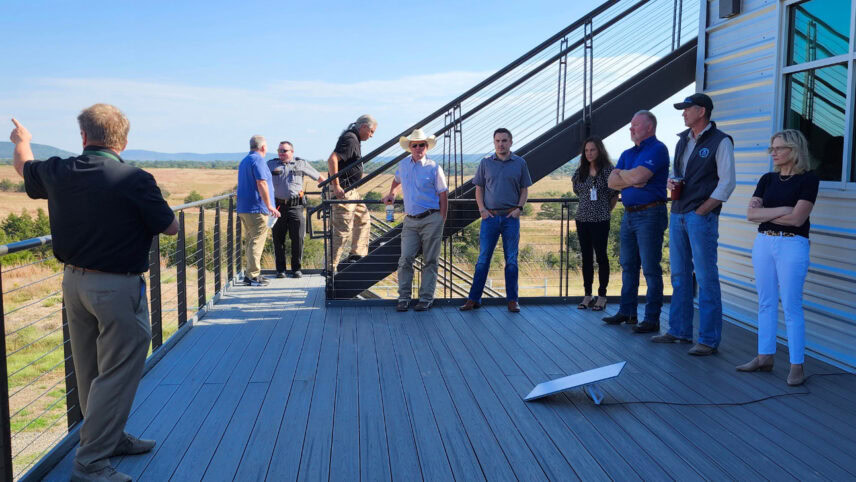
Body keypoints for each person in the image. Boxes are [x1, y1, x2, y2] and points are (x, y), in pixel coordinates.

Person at [10, 105, 178, 482]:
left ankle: (111, 438)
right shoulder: (134, 179)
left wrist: (22, 142)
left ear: (83, 137)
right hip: (117, 287)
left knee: (90, 370)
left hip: (74, 283)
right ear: (124, 141)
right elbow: (170, 228)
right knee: (118, 371)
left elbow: (23, 167)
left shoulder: (58, 170)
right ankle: (90, 463)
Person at [651, 93, 736, 356]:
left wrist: (702, 210)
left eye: (687, 109)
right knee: (679, 276)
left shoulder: (721, 141)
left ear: (702, 111)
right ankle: (679, 331)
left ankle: (708, 340)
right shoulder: (682, 141)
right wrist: (672, 182)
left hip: (700, 217)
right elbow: (680, 174)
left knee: (706, 277)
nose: (683, 113)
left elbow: (727, 182)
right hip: (678, 213)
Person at [738, 129, 818, 386]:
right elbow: (750, 215)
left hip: (793, 245)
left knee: (792, 305)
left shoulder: (808, 180)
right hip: (764, 243)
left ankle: (797, 365)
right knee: (766, 302)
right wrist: (784, 209)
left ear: (794, 150)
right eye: (771, 148)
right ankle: (765, 357)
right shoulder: (767, 179)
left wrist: (768, 212)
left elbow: (798, 219)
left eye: (778, 148)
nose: (773, 152)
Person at [603, 111, 669, 332]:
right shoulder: (627, 152)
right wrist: (633, 180)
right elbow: (611, 182)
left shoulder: (658, 149)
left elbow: (640, 178)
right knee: (628, 265)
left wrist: (628, 178)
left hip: (650, 214)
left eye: (635, 126)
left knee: (650, 267)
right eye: (631, 126)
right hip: (629, 214)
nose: (631, 129)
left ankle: (651, 319)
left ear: (649, 127)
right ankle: (627, 312)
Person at [460, 128, 532, 313]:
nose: (501, 144)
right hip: (489, 217)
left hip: (510, 218)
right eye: (498, 140)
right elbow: (479, 188)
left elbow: (524, 189)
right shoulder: (485, 163)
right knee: (483, 259)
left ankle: (512, 301)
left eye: (504, 140)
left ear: (511, 142)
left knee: (512, 260)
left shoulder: (520, 163)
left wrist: (519, 209)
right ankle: (473, 299)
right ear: (494, 142)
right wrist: (482, 210)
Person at [382, 129, 448, 312]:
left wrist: (442, 218)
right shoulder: (403, 165)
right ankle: (404, 298)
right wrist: (392, 193)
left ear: (426, 147)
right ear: (409, 148)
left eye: (422, 145)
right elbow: (396, 180)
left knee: (430, 261)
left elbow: (443, 194)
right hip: (410, 221)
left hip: (431, 218)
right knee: (405, 260)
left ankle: (426, 299)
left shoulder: (434, 167)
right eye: (415, 145)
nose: (419, 148)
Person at [572, 136, 619, 312]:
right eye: (586, 150)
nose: (589, 153)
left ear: (599, 150)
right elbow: (578, 191)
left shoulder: (608, 171)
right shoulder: (580, 172)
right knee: (586, 258)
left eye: (592, 150)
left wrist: (605, 211)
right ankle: (587, 295)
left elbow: (614, 195)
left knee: (601, 257)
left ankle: (602, 296)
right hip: (582, 219)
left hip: (600, 220)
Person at [268, 141, 325, 279]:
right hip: (278, 207)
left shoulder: (301, 164)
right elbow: (259, 179)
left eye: (284, 151)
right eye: (280, 150)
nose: (281, 153)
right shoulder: (271, 164)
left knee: (298, 238)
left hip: (296, 206)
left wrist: (330, 190)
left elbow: (319, 178)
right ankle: (280, 270)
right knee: (278, 239)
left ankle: (296, 269)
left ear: (292, 152)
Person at [326, 115, 376, 271]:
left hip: (350, 189)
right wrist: (336, 185)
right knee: (342, 229)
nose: (372, 135)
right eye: (372, 132)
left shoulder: (353, 137)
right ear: (364, 127)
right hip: (343, 190)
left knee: (363, 218)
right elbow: (332, 159)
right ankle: (330, 267)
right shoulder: (350, 138)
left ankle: (356, 254)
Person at [237, 135, 280, 286]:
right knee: (257, 241)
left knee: (250, 241)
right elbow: (261, 182)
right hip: (257, 208)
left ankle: (250, 273)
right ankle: (253, 276)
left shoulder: (245, 160)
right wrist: (269, 205)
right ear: (263, 147)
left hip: (244, 207)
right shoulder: (259, 160)